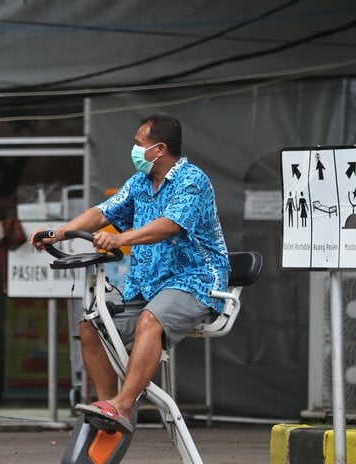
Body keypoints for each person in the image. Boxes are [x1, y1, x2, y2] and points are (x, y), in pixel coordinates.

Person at [31, 113, 229, 434]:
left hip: (194, 281)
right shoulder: (139, 183)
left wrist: (121, 238)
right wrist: (59, 234)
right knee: (91, 326)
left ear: (159, 149)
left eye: (139, 144)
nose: (134, 150)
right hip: (148, 286)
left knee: (150, 320)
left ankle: (124, 404)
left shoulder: (192, 181)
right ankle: (109, 411)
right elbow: (102, 212)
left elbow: (169, 225)